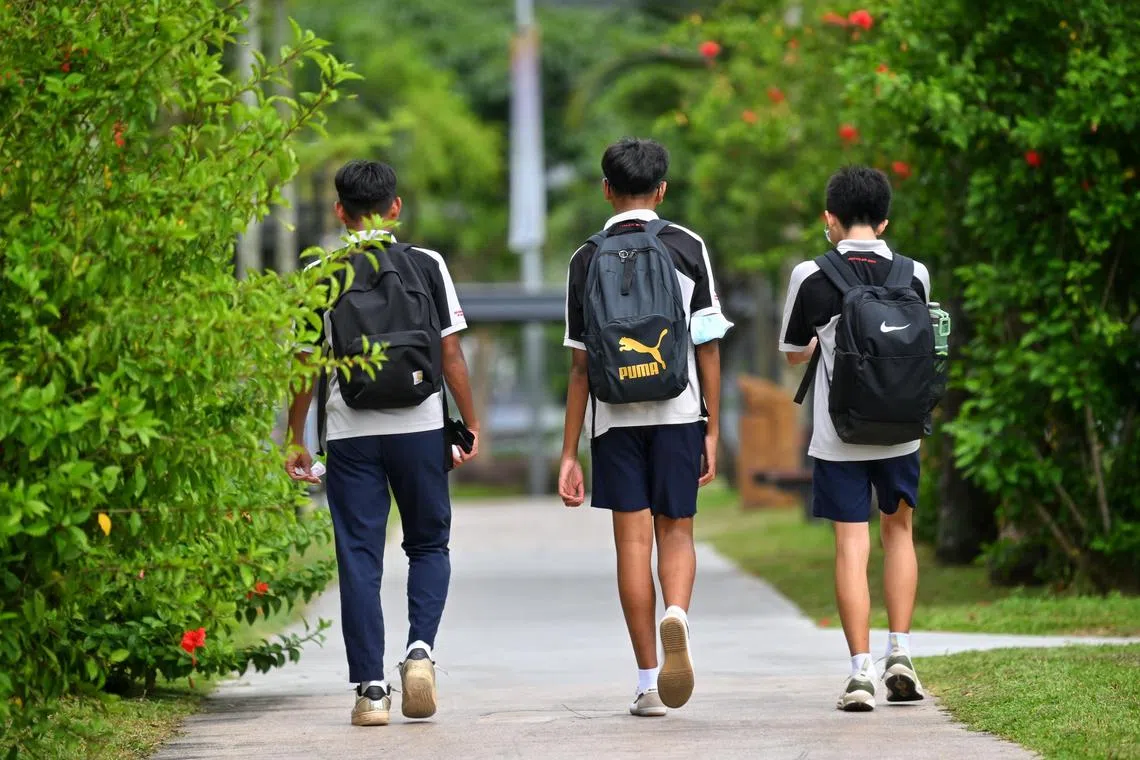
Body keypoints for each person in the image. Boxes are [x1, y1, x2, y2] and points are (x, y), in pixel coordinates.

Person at [285, 160, 479, 726]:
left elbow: (305, 365)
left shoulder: (321, 270)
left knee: (360, 559)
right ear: (395, 208)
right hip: (419, 427)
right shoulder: (426, 263)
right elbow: (450, 356)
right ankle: (419, 652)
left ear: (339, 212)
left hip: (351, 435)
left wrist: (296, 438)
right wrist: (468, 422)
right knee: (427, 545)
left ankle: (370, 691)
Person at [558, 138, 732, 718]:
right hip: (678, 413)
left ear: (606, 190)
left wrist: (568, 454)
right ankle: (676, 613)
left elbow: (581, 366)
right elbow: (706, 343)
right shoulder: (687, 246)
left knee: (631, 544)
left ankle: (647, 682)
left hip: (614, 422)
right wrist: (711, 424)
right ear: (662, 189)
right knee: (676, 532)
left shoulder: (585, 258)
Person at [779, 165, 931, 712]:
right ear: (885, 220)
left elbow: (794, 351)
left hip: (839, 435)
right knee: (900, 533)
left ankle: (860, 672)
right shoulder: (916, 273)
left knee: (851, 544)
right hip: (900, 431)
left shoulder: (810, 276)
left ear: (830, 219)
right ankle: (903, 653)